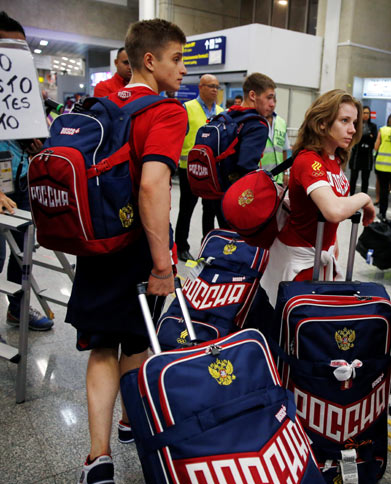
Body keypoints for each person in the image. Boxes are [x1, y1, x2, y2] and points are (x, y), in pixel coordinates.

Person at [69, 19, 188, 484]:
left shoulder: (99, 104)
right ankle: (129, 422)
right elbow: (153, 185)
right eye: (177, 59)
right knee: (136, 343)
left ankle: (98, 459)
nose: (183, 70)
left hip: (95, 242)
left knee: (102, 345)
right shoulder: (164, 111)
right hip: (136, 245)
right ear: (150, 60)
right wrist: (163, 264)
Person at [260, 89, 375, 304]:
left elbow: (334, 203)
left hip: (320, 256)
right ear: (322, 123)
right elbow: (333, 210)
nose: (352, 129)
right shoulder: (308, 160)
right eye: (344, 121)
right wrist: (365, 199)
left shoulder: (335, 158)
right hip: (298, 263)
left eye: (354, 122)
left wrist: (332, 244)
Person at [0, 12, 54, 331]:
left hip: (19, 181)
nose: (15, 56)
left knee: (22, 253)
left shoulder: (23, 88)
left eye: (21, 49)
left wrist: (37, 146)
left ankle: (18, 308)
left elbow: (33, 131)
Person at [174, 74, 224, 261]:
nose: (214, 89)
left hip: (212, 171)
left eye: (217, 87)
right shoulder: (187, 109)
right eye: (211, 85)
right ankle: (181, 246)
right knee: (186, 209)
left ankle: (208, 244)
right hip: (189, 169)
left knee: (210, 209)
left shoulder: (220, 111)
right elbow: (178, 138)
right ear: (200, 87)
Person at [223, 73, 274, 189]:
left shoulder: (227, 116)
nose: (272, 104)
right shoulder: (257, 125)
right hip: (234, 193)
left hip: (214, 189)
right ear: (252, 95)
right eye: (269, 97)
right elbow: (246, 167)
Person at [349, 106, 377, 195]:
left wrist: (366, 136)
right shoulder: (356, 125)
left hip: (367, 156)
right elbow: (356, 138)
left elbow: (373, 140)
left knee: (365, 179)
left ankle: (363, 198)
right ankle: (351, 196)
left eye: (367, 113)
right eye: (364, 113)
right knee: (353, 178)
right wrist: (367, 136)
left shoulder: (373, 126)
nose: (366, 115)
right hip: (356, 155)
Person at [260, 109, 290, 184]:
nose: (271, 104)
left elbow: (284, 150)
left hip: (278, 178)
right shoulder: (255, 121)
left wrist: (285, 173)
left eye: (273, 99)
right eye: (268, 98)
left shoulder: (281, 122)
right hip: (260, 177)